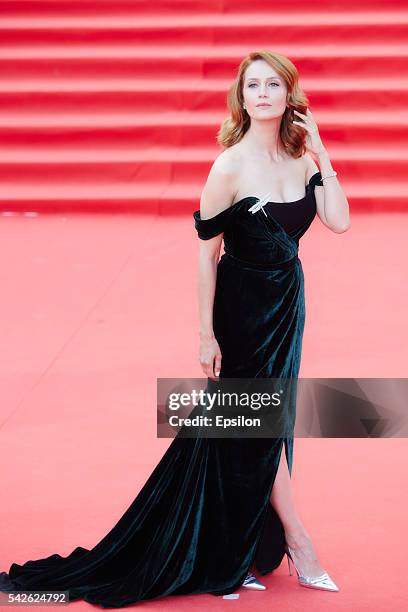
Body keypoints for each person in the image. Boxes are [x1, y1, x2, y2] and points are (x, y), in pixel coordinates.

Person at [0, 50, 350, 607]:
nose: (262, 94)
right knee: (254, 421)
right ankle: (299, 545)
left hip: (287, 306)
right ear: (242, 97)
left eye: (272, 85)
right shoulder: (228, 167)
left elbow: (339, 220)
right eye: (252, 85)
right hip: (241, 310)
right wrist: (205, 334)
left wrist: (323, 153)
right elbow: (205, 256)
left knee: (262, 422)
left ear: (288, 95)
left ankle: (236, 548)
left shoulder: (303, 159)